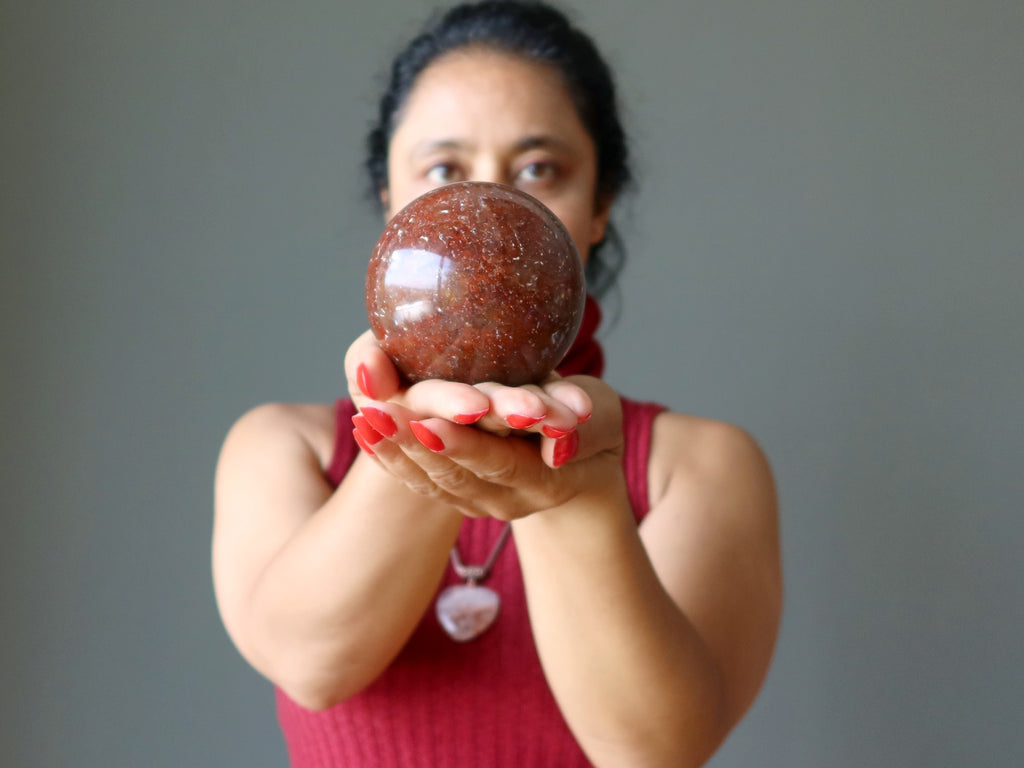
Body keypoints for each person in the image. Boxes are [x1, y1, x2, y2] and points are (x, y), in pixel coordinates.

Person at [212, 2, 782, 766]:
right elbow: (316, 669)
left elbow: (655, 753)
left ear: (600, 205)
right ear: (390, 198)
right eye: (444, 171)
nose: (489, 207)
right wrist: (414, 434)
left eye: (539, 169)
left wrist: (574, 495)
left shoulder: (699, 467)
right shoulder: (283, 449)